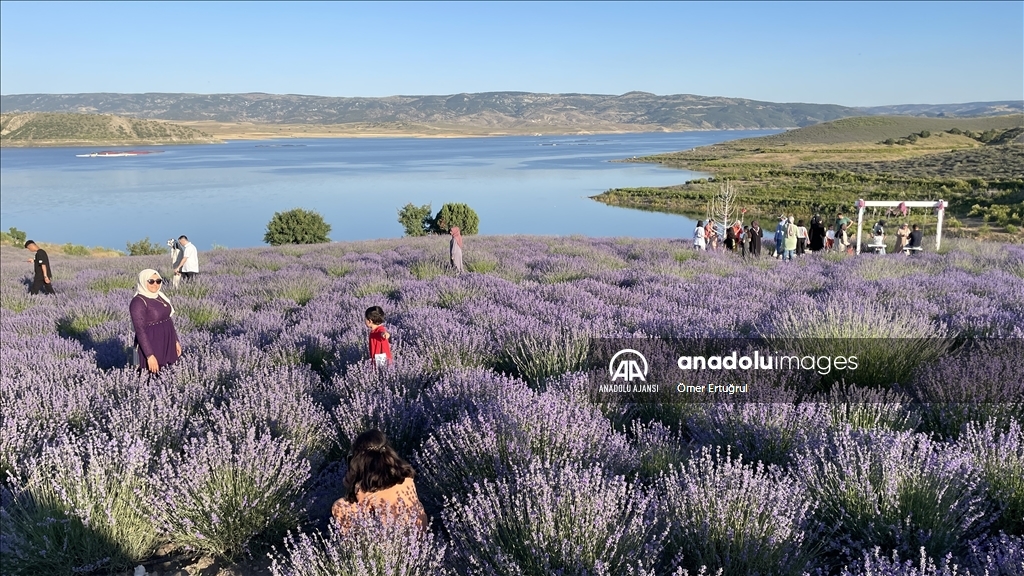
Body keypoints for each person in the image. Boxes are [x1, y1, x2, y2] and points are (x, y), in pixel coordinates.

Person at [331, 429, 428, 531]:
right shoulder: (406, 480)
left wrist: (352, 478)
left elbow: (348, 488)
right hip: (419, 536)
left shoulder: (364, 491)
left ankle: (351, 543)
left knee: (340, 506)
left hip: (390, 540)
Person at [130, 269, 181, 374]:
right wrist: (149, 355)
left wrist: (176, 341)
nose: (155, 284)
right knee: (151, 376)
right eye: (151, 281)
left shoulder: (160, 296)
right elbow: (140, 331)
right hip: (152, 343)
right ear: (143, 281)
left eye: (158, 281)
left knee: (169, 373)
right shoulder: (138, 302)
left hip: (168, 340)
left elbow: (168, 319)